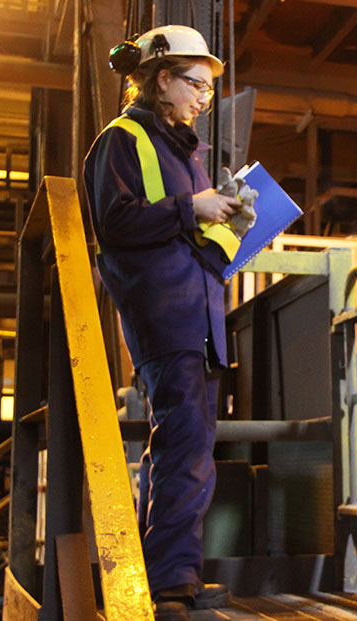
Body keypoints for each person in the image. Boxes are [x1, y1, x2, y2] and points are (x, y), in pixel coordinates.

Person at [83, 24, 244, 620]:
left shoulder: (186, 157)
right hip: (165, 311)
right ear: (160, 78)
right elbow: (114, 222)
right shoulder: (121, 140)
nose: (204, 96)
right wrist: (190, 206)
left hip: (198, 316)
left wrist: (233, 223)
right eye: (196, 84)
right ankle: (172, 584)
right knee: (186, 448)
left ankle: (166, 575)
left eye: (207, 87)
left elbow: (193, 237)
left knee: (180, 444)